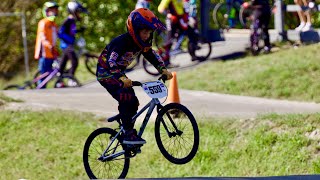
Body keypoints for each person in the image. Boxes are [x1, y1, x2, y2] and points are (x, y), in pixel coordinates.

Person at [96, 8, 173, 145]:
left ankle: (125, 123)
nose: (147, 35)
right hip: (106, 73)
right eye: (144, 32)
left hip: (118, 73)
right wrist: (121, 77)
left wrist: (163, 69)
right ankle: (128, 134)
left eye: (149, 32)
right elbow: (111, 61)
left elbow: (151, 55)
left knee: (133, 102)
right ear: (135, 30)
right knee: (127, 97)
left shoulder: (142, 43)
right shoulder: (122, 42)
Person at [158, 0, 198, 67]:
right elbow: (160, 9)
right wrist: (169, 15)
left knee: (190, 33)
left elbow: (181, 8)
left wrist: (185, 16)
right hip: (172, 21)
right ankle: (166, 61)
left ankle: (193, 54)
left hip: (180, 20)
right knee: (169, 41)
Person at [58, 0, 87, 77]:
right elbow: (60, 33)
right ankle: (70, 78)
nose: (79, 14)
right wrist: (70, 40)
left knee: (63, 63)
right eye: (78, 12)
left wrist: (79, 30)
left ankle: (60, 78)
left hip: (68, 45)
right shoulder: (68, 21)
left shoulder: (72, 21)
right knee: (74, 62)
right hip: (66, 45)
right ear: (73, 11)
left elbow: (70, 31)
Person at [34, 1, 59, 88]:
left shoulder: (54, 24)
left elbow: (55, 39)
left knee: (49, 76)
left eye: (55, 10)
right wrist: (49, 46)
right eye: (52, 10)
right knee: (43, 75)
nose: (54, 12)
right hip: (44, 54)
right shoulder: (43, 23)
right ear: (46, 11)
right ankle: (39, 91)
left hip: (52, 53)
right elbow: (42, 37)